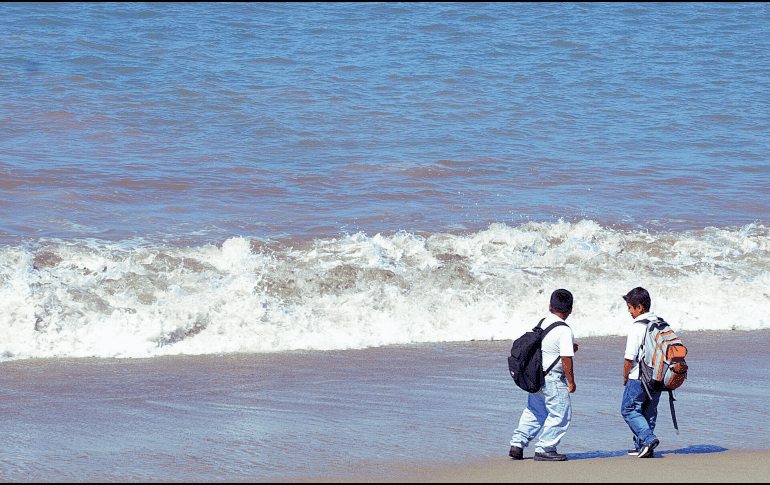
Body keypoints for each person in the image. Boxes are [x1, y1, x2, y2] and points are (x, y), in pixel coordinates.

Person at [509, 289, 578, 462]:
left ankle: (517, 444)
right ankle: (545, 448)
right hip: (554, 378)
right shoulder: (564, 330)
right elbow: (566, 358)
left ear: (550, 306)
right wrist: (571, 382)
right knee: (560, 414)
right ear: (570, 309)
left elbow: (546, 347)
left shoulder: (543, 322)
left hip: (537, 376)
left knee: (534, 411)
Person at [621, 286, 661, 458]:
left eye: (630, 307)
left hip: (639, 376)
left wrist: (625, 376)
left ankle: (648, 439)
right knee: (649, 411)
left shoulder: (637, 326)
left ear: (640, 307)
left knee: (629, 409)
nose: (629, 311)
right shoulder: (660, 323)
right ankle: (643, 446)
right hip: (658, 376)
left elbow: (629, 358)